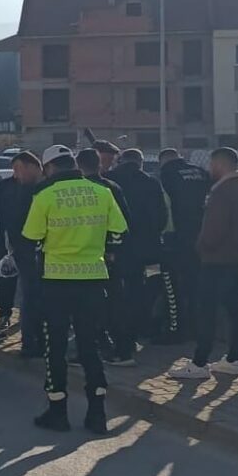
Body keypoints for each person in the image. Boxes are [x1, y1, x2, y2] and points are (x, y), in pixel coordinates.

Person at [23, 144, 127, 434]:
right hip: (93, 279)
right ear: (74, 164)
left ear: (49, 168)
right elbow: (119, 231)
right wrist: (103, 250)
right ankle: (97, 414)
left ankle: (58, 412)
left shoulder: (44, 195)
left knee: (55, 347)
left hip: (56, 282)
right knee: (90, 347)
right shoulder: (102, 192)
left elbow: (31, 236)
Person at [166, 148, 238, 380]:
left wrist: (201, 247)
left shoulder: (222, 192)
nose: (209, 169)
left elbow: (213, 230)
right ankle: (234, 358)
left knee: (205, 309)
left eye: (212, 164)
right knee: (235, 309)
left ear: (219, 164)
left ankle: (199, 362)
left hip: (219, 261)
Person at [106, 148, 170, 361]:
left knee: (114, 294)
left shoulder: (110, 180)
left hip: (115, 247)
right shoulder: (151, 182)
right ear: (140, 162)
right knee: (136, 290)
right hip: (143, 248)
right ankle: (137, 329)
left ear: (121, 160)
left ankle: (118, 339)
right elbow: (161, 215)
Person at [77, 148, 132, 363]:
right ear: (99, 164)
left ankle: (101, 349)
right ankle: (121, 347)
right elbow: (122, 222)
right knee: (115, 302)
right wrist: (114, 250)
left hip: (88, 256)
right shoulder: (112, 188)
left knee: (88, 306)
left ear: (78, 166)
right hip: (111, 256)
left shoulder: (80, 190)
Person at [0, 150, 44, 357]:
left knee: (37, 298)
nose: (15, 175)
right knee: (31, 297)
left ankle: (36, 341)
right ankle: (31, 342)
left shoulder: (41, 188)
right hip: (28, 253)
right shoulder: (19, 189)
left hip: (41, 251)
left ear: (32, 166)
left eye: (18, 169)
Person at [159, 148, 211, 339]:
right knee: (197, 283)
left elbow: (164, 206)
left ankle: (177, 329)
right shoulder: (200, 172)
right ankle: (200, 328)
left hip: (177, 238)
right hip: (202, 235)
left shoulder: (166, 175)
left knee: (174, 285)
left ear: (162, 161)